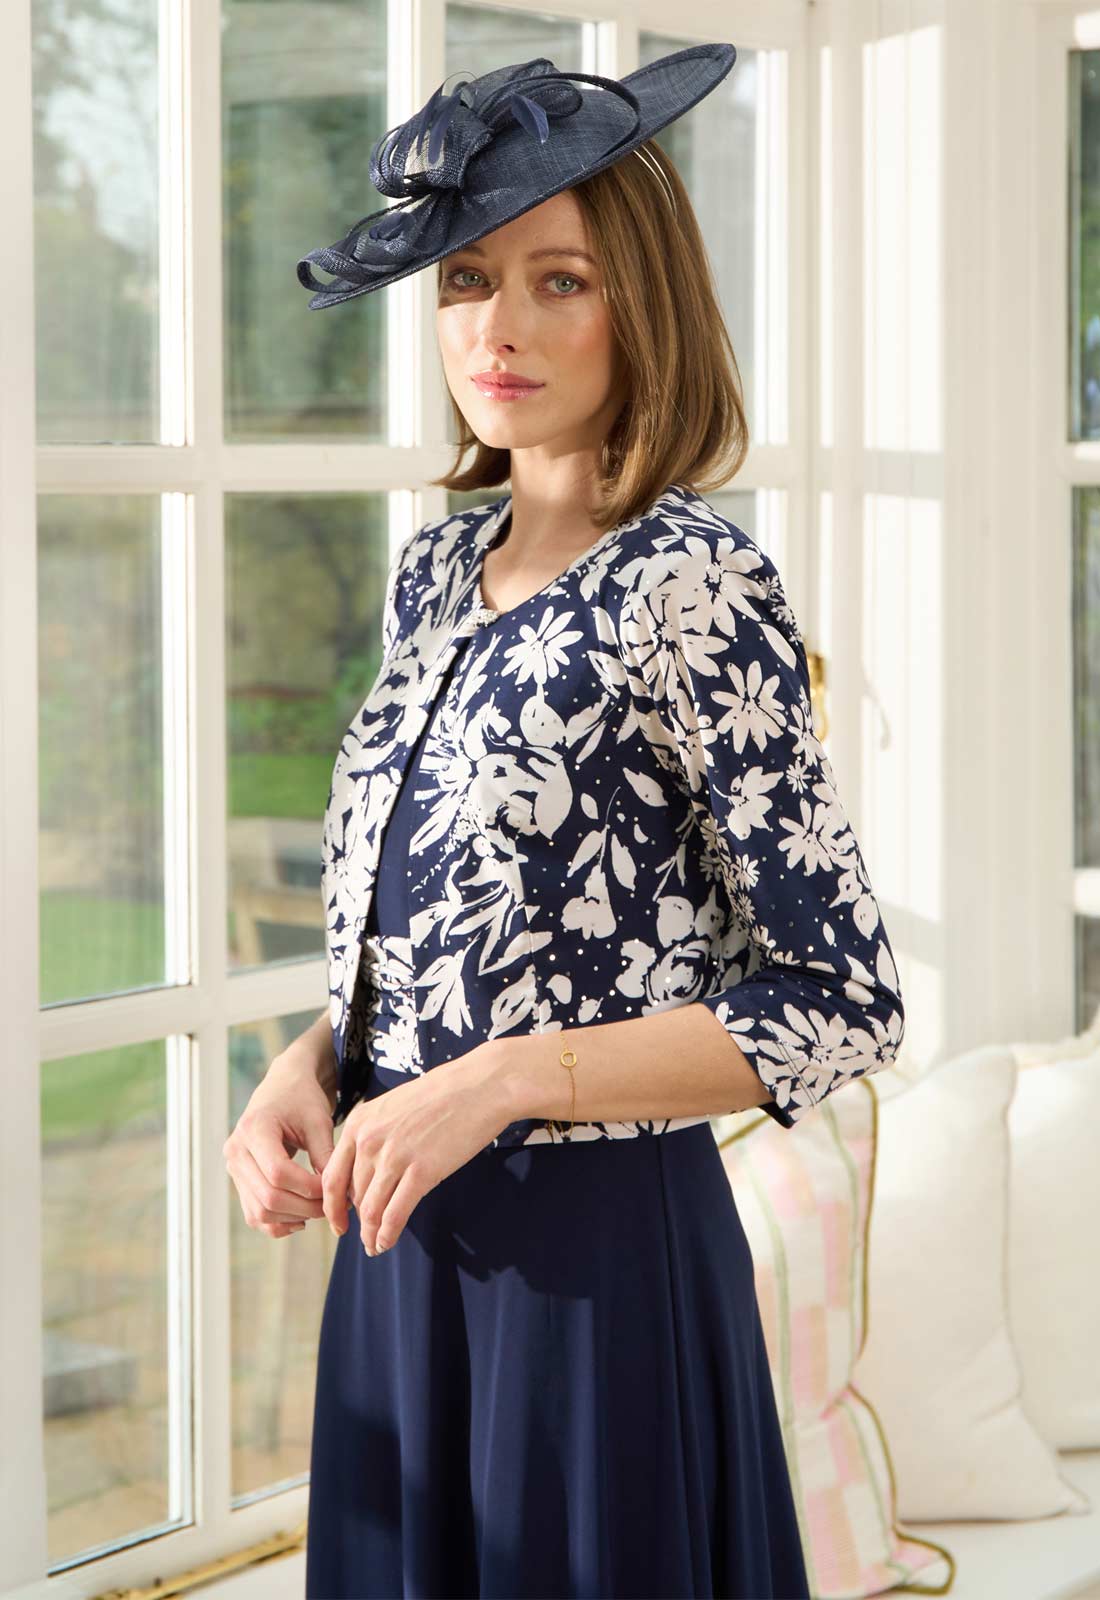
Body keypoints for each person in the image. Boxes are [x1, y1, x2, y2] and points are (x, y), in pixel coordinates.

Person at [223, 44, 905, 1598]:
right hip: (399, 1267)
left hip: (599, 1286)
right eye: (469, 279)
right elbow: (437, 917)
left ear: (642, 301)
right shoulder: (431, 571)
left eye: (560, 279)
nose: (501, 326)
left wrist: (504, 1086)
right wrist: (311, 1065)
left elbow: (845, 1002)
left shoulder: (695, 581)